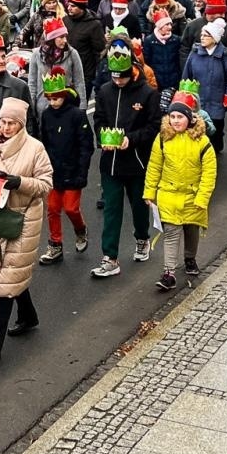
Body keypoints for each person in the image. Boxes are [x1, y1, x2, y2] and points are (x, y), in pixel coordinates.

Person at [0, 96, 53, 368]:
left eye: (11, 123)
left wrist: (19, 182)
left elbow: (45, 184)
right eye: (2, 122)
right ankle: (28, 316)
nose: (5, 127)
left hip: (21, 218)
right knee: (10, 274)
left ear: (21, 124)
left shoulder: (35, 148)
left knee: (5, 282)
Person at [90, 41, 158, 277]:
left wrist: (132, 139)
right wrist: (102, 138)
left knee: (138, 206)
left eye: (122, 77)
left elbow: (154, 126)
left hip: (137, 162)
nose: (118, 82)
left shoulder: (147, 93)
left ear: (131, 71)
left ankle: (142, 237)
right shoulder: (105, 91)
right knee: (111, 209)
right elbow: (98, 120)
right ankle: (110, 257)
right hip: (110, 163)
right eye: (114, 77)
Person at [144, 82, 217, 291]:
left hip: (192, 196)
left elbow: (209, 174)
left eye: (180, 117)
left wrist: (202, 198)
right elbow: (154, 166)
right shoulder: (162, 139)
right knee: (171, 233)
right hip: (168, 195)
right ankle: (169, 273)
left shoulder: (202, 142)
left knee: (191, 230)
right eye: (172, 117)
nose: (176, 121)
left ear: (189, 118)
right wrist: (149, 192)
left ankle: (190, 258)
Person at [36, 68, 94, 265]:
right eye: (49, 99)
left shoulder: (77, 116)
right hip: (53, 172)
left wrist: (82, 171)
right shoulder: (46, 115)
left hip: (72, 170)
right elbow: (44, 142)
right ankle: (55, 245)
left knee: (71, 208)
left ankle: (80, 229)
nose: (53, 103)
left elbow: (86, 145)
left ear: (64, 96)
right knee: (52, 209)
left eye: (56, 99)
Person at [181, 19, 227, 154]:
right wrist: (184, 96)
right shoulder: (194, 53)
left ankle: (215, 152)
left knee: (216, 130)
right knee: (198, 129)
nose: (202, 38)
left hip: (217, 100)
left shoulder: (225, 55)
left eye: (206, 35)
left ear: (215, 38)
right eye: (201, 35)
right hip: (198, 101)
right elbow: (186, 76)